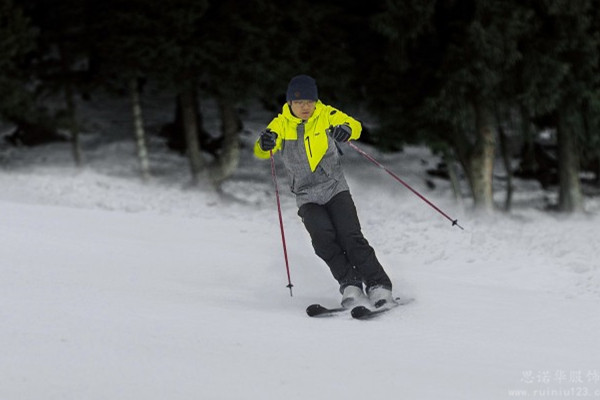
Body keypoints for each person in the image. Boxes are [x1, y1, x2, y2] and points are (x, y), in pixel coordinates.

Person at [254, 74, 395, 308]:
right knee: (322, 240)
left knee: (350, 236)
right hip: (306, 195)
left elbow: (355, 126)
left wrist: (346, 130)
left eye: (309, 101)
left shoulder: (325, 114)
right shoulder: (280, 124)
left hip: (334, 187)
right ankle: (350, 284)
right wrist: (264, 143)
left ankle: (378, 285)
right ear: (290, 103)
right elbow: (262, 149)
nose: (305, 107)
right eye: (299, 102)